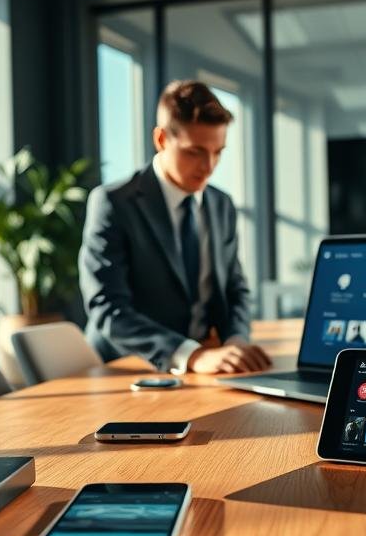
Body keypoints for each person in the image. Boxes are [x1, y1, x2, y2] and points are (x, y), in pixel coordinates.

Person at [80, 80, 272, 375]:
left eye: (218, 151)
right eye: (194, 151)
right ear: (161, 139)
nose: (209, 166)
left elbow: (236, 290)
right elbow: (108, 308)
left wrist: (236, 341)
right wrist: (190, 355)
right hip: (127, 369)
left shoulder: (221, 204)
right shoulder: (113, 203)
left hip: (205, 369)